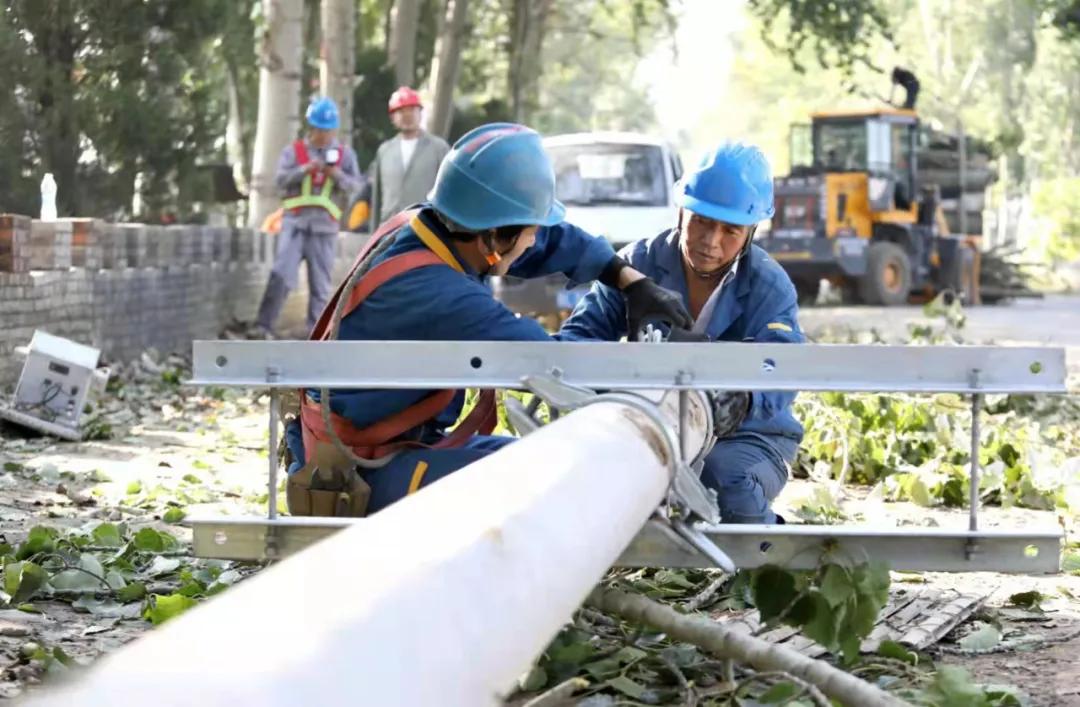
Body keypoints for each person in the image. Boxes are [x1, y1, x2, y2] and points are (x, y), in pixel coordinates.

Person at [283, 123, 694, 517]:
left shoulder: (436, 229)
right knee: (550, 478)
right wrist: (662, 377)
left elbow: (549, 240)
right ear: (495, 238)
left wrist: (628, 279)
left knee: (543, 459)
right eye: (529, 230)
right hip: (355, 470)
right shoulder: (440, 292)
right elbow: (554, 364)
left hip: (395, 443)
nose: (534, 240)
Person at [561, 141, 805, 524]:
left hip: (748, 436)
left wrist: (743, 398)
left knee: (725, 483)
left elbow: (784, 368)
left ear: (751, 231)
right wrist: (607, 390)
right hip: (647, 423)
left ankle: (773, 556)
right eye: (702, 221)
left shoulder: (769, 286)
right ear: (681, 211)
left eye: (730, 230)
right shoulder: (634, 266)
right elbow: (578, 337)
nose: (711, 241)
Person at [255, 97, 364, 336]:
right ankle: (263, 327)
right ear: (310, 127)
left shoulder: (344, 156)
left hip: (324, 229)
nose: (324, 135)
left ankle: (316, 335)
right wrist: (305, 169)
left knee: (320, 287)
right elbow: (280, 181)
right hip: (295, 225)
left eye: (328, 130)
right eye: (319, 129)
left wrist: (334, 174)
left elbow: (356, 187)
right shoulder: (293, 153)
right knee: (281, 276)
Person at [367, 86, 451, 227]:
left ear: (420, 112)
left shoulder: (439, 148)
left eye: (411, 109)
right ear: (393, 117)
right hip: (390, 228)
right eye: (401, 111)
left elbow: (448, 192)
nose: (407, 115)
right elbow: (377, 199)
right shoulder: (384, 151)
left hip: (427, 227)